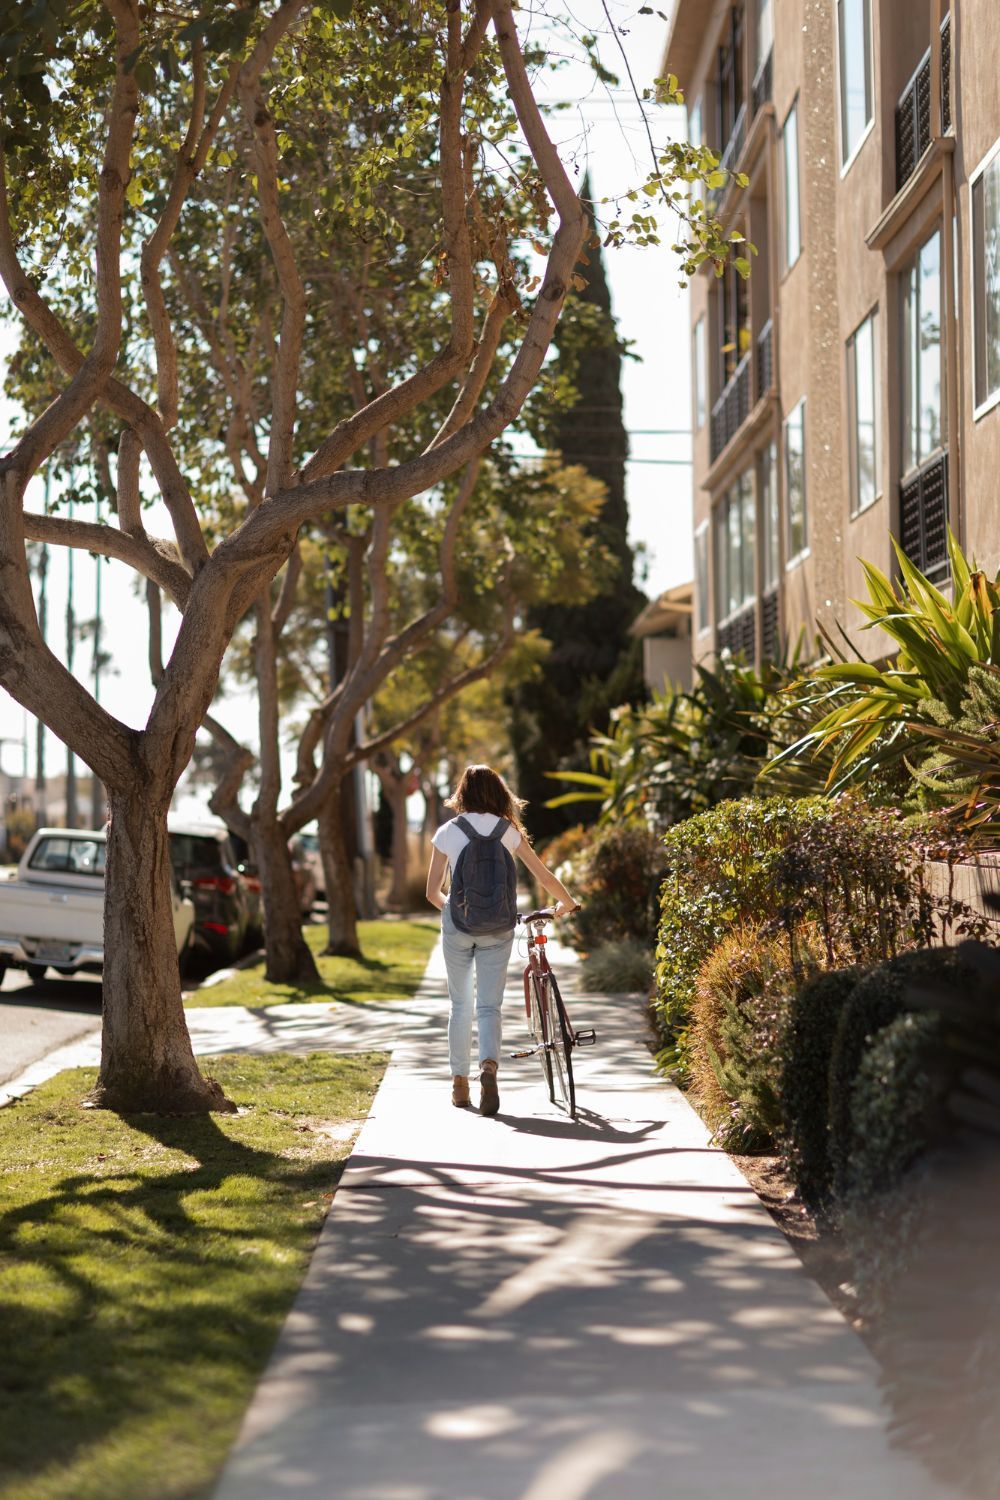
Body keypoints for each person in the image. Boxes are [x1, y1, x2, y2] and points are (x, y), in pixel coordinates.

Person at [425, 764, 579, 1117]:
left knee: (460, 1005)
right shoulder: (508, 831)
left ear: (463, 792)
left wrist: (455, 911)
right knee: (489, 1006)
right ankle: (489, 1068)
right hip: (498, 927)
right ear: (499, 793)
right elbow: (542, 875)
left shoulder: (448, 831)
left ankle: (459, 1084)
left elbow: (432, 892)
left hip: (458, 928)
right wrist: (566, 902)